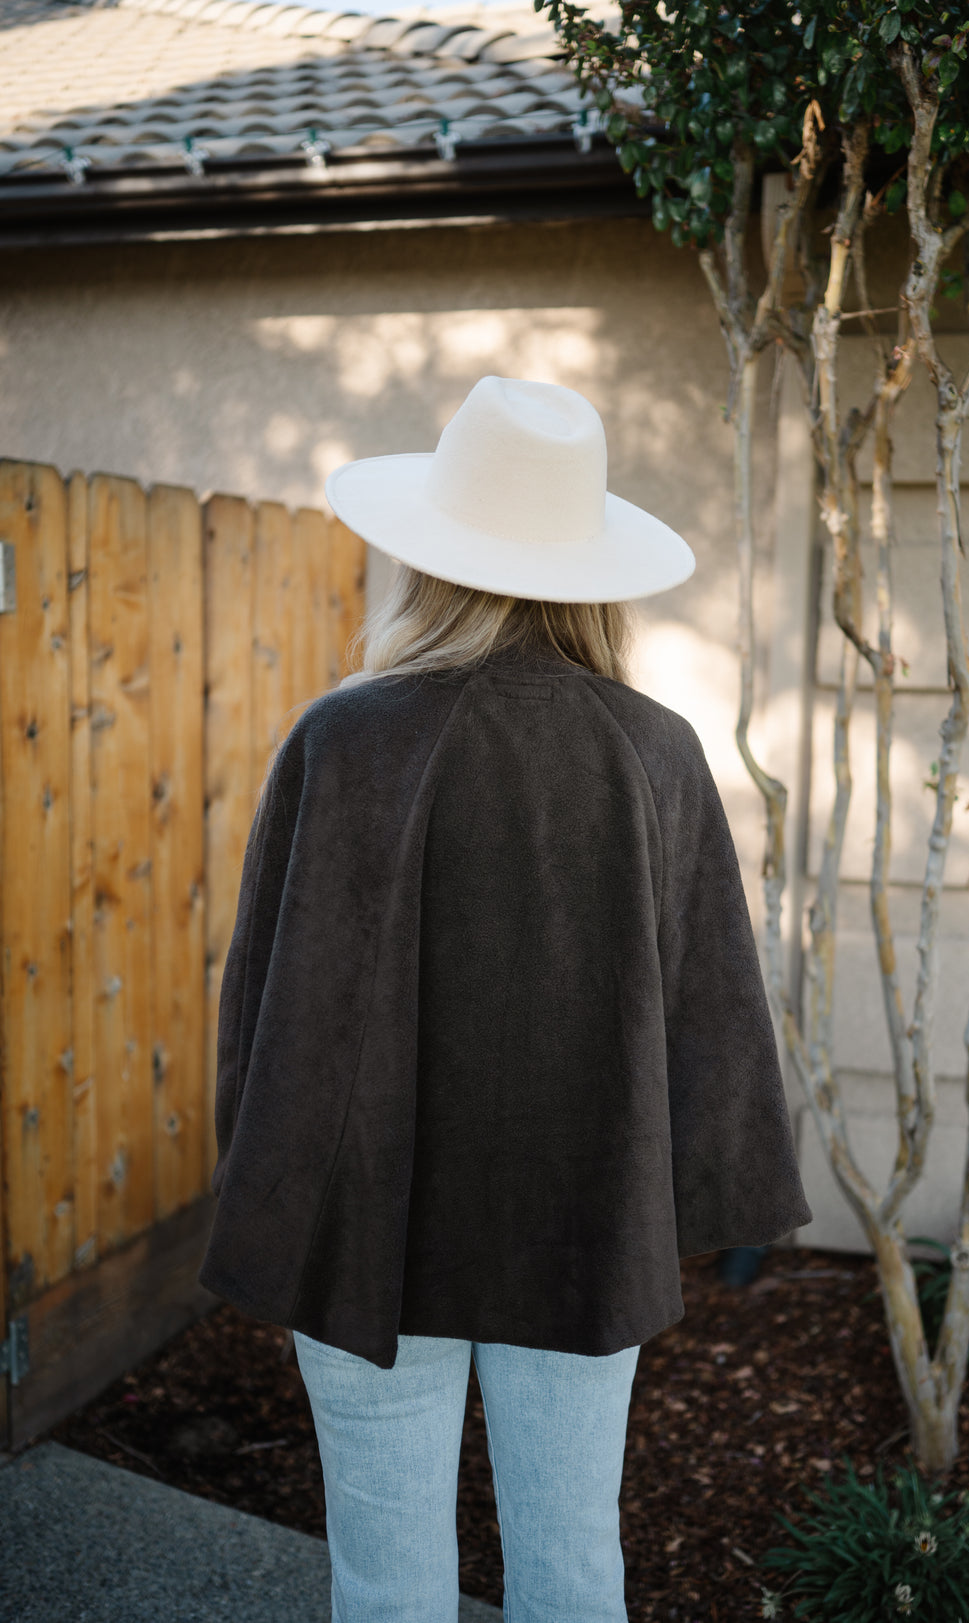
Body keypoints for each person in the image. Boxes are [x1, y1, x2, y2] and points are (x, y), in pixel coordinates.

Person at [198, 375, 813, 1623]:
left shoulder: (340, 740)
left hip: (373, 1227)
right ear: (591, 571)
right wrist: (706, 1203)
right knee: (575, 1565)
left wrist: (267, 1188)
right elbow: (713, 1014)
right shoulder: (656, 752)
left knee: (384, 1578)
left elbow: (268, 1007)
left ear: (430, 556)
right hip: (582, 1226)